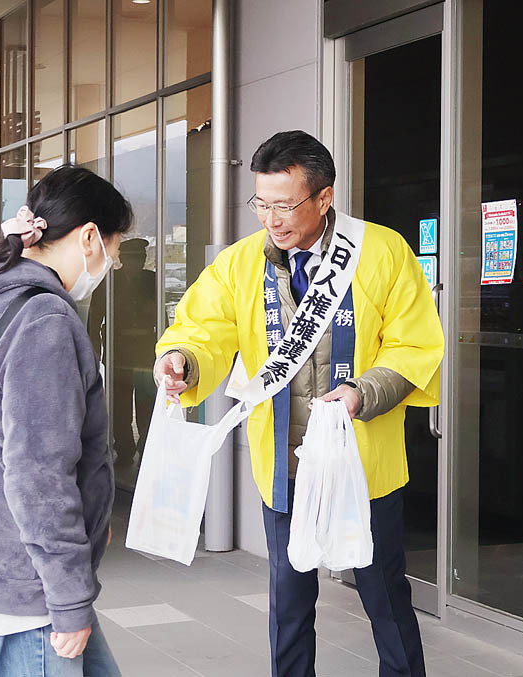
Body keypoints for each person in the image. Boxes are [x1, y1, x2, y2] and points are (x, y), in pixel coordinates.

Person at [154, 131, 444, 677]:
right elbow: (202, 327)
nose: (272, 219)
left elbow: (416, 342)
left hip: (363, 464)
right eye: (261, 204)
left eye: (285, 205)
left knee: (384, 595)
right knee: (288, 604)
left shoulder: (381, 252)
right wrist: (182, 360)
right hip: (283, 467)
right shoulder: (240, 264)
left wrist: (365, 390)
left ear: (324, 197)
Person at [0, 165, 132, 677]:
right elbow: (38, 475)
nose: (113, 260)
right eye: (115, 247)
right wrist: (68, 601)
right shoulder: (42, 319)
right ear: (89, 237)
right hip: (30, 584)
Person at [88, 237, 157, 478]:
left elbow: (163, 318)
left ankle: (146, 448)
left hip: (147, 354)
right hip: (119, 352)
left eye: (140, 259)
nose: (137, 263)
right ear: (122, 260)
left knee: (146, 404)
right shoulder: (108, 282)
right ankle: (124, 448)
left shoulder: (153, 281)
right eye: (132, 259)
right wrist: (94, 349)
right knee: (120, 407)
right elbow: (95, 318)